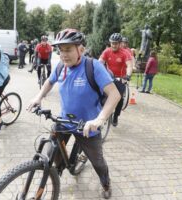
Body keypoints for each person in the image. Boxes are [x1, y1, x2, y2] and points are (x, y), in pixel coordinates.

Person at [27, 28, 121, 199]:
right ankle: (60, 171)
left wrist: (99, 119)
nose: (63, 54)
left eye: (68, 49)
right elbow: (49, 81)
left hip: (87, 126)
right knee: (51, 153)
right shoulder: (61, 66)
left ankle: (106, 183)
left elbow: (115, 95)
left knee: (98, 162)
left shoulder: (93, 67)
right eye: (60, 50)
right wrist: (38, 97)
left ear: (81, 49)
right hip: (64, 120)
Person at [99, 33, 133, 127]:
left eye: (116, 43)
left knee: (119, 98)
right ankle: (103, 113)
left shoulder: (125, 53)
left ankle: (116, 116)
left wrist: (128, 76)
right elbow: (100, 62)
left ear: (120, 44)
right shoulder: (107, 51)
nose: (114, 45)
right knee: (102, 94)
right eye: (112, 43)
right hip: (109, 77)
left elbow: (129, 65)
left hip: (120, 78)